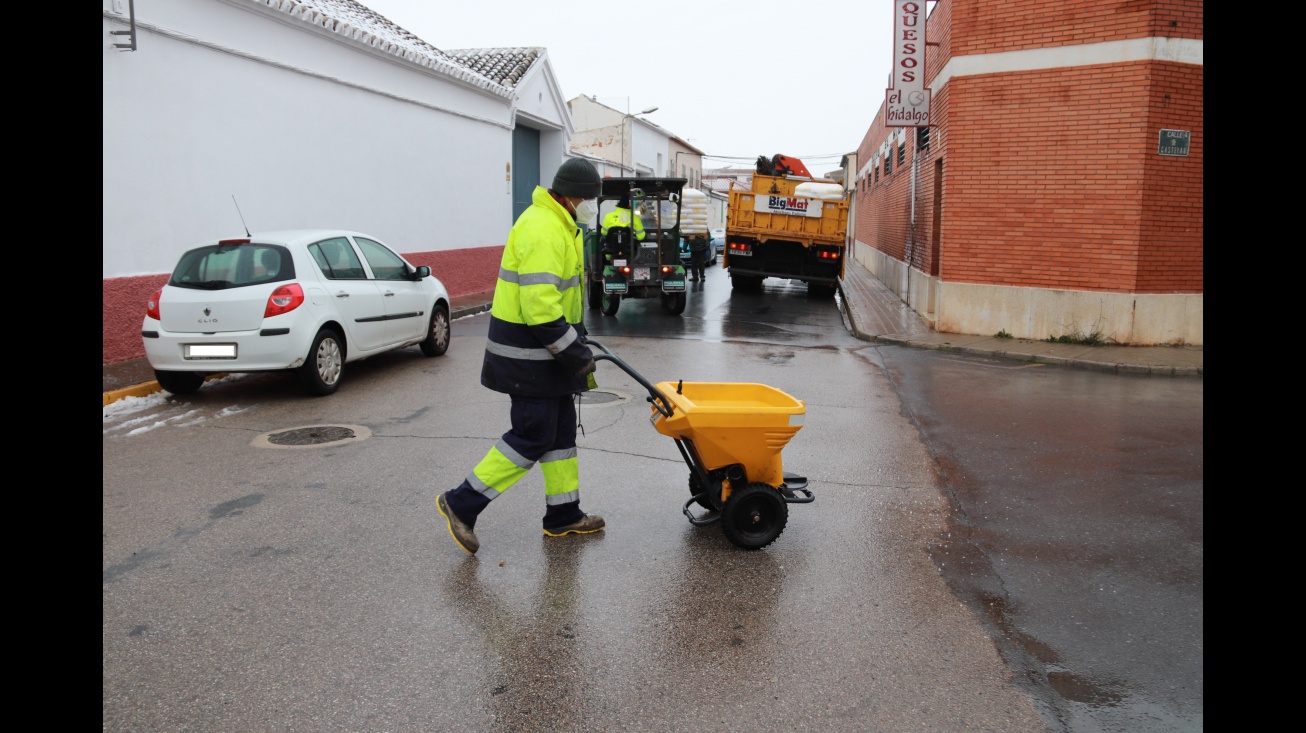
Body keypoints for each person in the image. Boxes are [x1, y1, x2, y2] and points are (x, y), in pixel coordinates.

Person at [436, 158, 605, 556]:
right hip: (528, 358)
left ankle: (563, 515)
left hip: (546, 356)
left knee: (560, 436)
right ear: (570, 195)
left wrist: (574, 343)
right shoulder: (542, 229)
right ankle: (460, 502)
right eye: (589, 198)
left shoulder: (561, 224)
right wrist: (574, 352)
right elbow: (540, 307)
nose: (592, 206)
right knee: (533, 435)